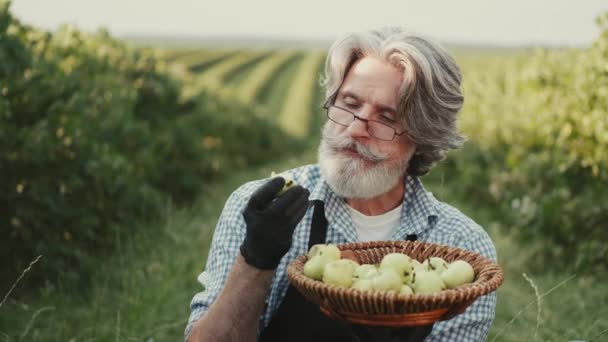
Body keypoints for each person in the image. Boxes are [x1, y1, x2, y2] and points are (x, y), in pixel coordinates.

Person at [185, 26, 497, 342]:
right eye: (349, 103)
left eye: (387, 117)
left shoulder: (462, 249)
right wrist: (254, 261)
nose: (356, 129)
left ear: (423, 137)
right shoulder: (260, 209)